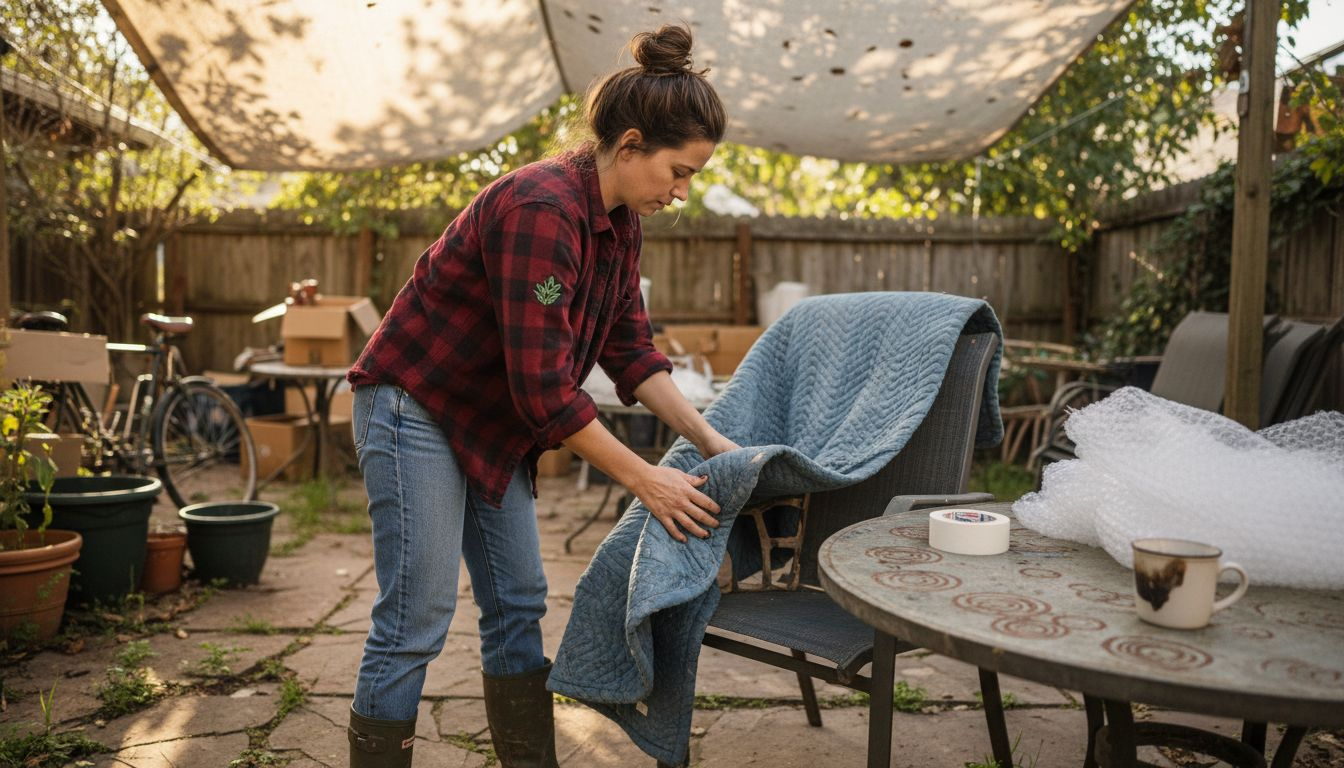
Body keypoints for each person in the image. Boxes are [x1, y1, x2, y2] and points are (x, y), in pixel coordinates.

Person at [344, 24, 737, 768]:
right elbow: (543, 389)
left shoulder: (621, 227)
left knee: (519, 604)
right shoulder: (540, 208)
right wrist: (644, 478)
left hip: (490, 426)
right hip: (415, 406)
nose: (681, 193)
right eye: (678, 172)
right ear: (629, 146)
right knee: (416, 617)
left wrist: (714, 440)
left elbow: (631, 353)